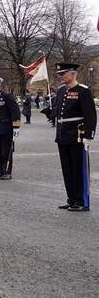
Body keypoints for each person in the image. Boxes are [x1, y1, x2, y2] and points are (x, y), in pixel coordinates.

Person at [52, 63, 96, 212]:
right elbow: (60, 112)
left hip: (77, 136)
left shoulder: (83, 91)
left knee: (79, 169)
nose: (60, 77)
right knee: (67, 169)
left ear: (73, 74)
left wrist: (89, 135)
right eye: (59, 74)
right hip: (63, 135)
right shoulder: (60, 91)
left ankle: (81, 201)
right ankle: (71, 199)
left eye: (63, 74)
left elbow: (90, 115)